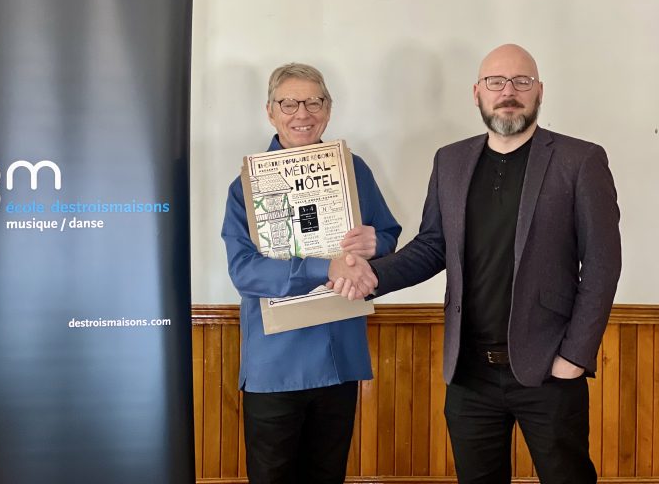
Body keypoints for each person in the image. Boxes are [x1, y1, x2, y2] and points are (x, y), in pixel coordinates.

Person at [330, 44, 621, 483]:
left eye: (521, 81)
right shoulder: (450, 160)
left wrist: (573, 357)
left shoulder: (579, 160)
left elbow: (602, 264)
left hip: (548, 368)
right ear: (477, 92)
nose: (508, 92)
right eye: (495, 82)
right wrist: (372, 276)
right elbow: (432, 246)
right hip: (469, 373)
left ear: (540, 91)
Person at [221, 62, 401, 484]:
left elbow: (387, 235)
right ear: (270, 112)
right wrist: (325, 267)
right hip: (275, 365)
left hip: (339, 356)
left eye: (314, 102)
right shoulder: (246, 185)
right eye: (289, 103)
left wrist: (376, 243)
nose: (302, 113)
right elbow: (244, 271)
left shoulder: (353, 170)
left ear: (328, 109)